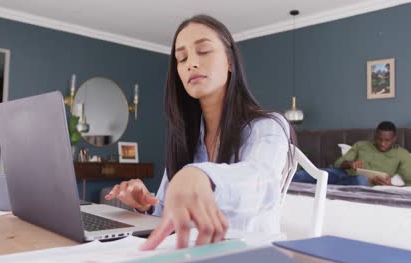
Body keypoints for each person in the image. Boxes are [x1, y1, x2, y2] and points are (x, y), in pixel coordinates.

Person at [105, 14, 294, 250]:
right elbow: (168, 210)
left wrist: (201, 175)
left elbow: (261, 183)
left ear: (230, 62)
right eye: (181, 58)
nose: (191, 63)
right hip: (195, 254)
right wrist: (147, 205)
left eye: (203, 51)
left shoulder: (268, 126)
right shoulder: (187, 138)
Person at [293, 121, 411, 186]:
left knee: (361, 180)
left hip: (363, 181)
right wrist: (350, 164)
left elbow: (409, 181)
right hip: (342, 173)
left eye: (387, 140)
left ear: (394, 138)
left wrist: (391, 185)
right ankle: (281, 180)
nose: (382, 143)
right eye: (379, 139)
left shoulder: (402, 155)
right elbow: (338, 163)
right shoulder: (361, 145)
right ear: (375, 136)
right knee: (316, 173)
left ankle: (329, 186)